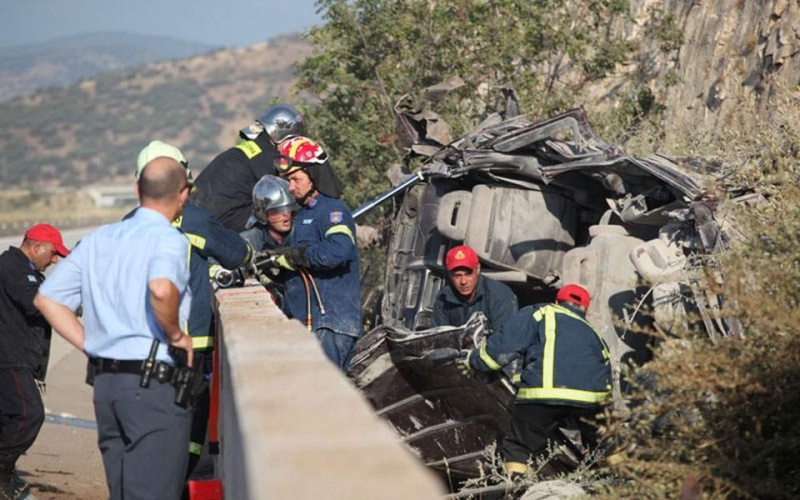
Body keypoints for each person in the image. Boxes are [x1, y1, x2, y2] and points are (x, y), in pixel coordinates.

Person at [34, 156, 195, 500]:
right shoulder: (169, 240)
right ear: (184, 194)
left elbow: (47, 299)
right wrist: (178, 336)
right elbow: (161, 289)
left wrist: (91, 343)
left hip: (106, 385)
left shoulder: (99, 239)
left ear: (138, 191)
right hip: (153, 384)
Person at [133, 141, 252, 482]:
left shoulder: (129, 224)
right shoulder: (194, 219)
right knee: (188, 418)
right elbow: (237, 253)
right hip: (190, 340)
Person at [462, 284, 612, 477]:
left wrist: (474, 361)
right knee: (604, 447)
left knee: (520, 447)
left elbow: (504, 347)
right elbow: (606, 376)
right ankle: (616, 484)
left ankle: (515, 489)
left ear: (557, 301)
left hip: (542, 397)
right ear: (585, 310)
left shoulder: (542, 312)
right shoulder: (594, 334)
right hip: (591, 403)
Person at [272, 136, 362, 371]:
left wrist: (296, 256)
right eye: (288, 180)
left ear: (314, 175)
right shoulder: (302, 215)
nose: (291, 187)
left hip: (330, 324)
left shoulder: (333, 211)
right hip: (309, 324)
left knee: (325, 399)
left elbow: (338, 250)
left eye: (296, 179)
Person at [0, 224, 69, 498]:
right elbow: (37, 303)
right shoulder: (14, 268)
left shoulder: (27, 271)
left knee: (9, 419)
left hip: (17, 358)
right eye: (53, 254)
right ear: (37, 246)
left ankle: (7, 474)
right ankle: (2, 474)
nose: (54, 261)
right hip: (9, 359)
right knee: (29, 414)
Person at [193, 104, 306, 232]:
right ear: (280, 134)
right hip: (220, 223)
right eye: (293, 139)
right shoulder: (270, 159)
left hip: (196, 218)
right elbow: (283, 196)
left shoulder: (249, 149)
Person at [432, 245, 518, 332]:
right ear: (449, 274)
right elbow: (439, 337)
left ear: (477, 269)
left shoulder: (500, 295)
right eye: (457, 276)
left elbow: (505, 339)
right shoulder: (443, 298)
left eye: (468, 274)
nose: (463, 281)